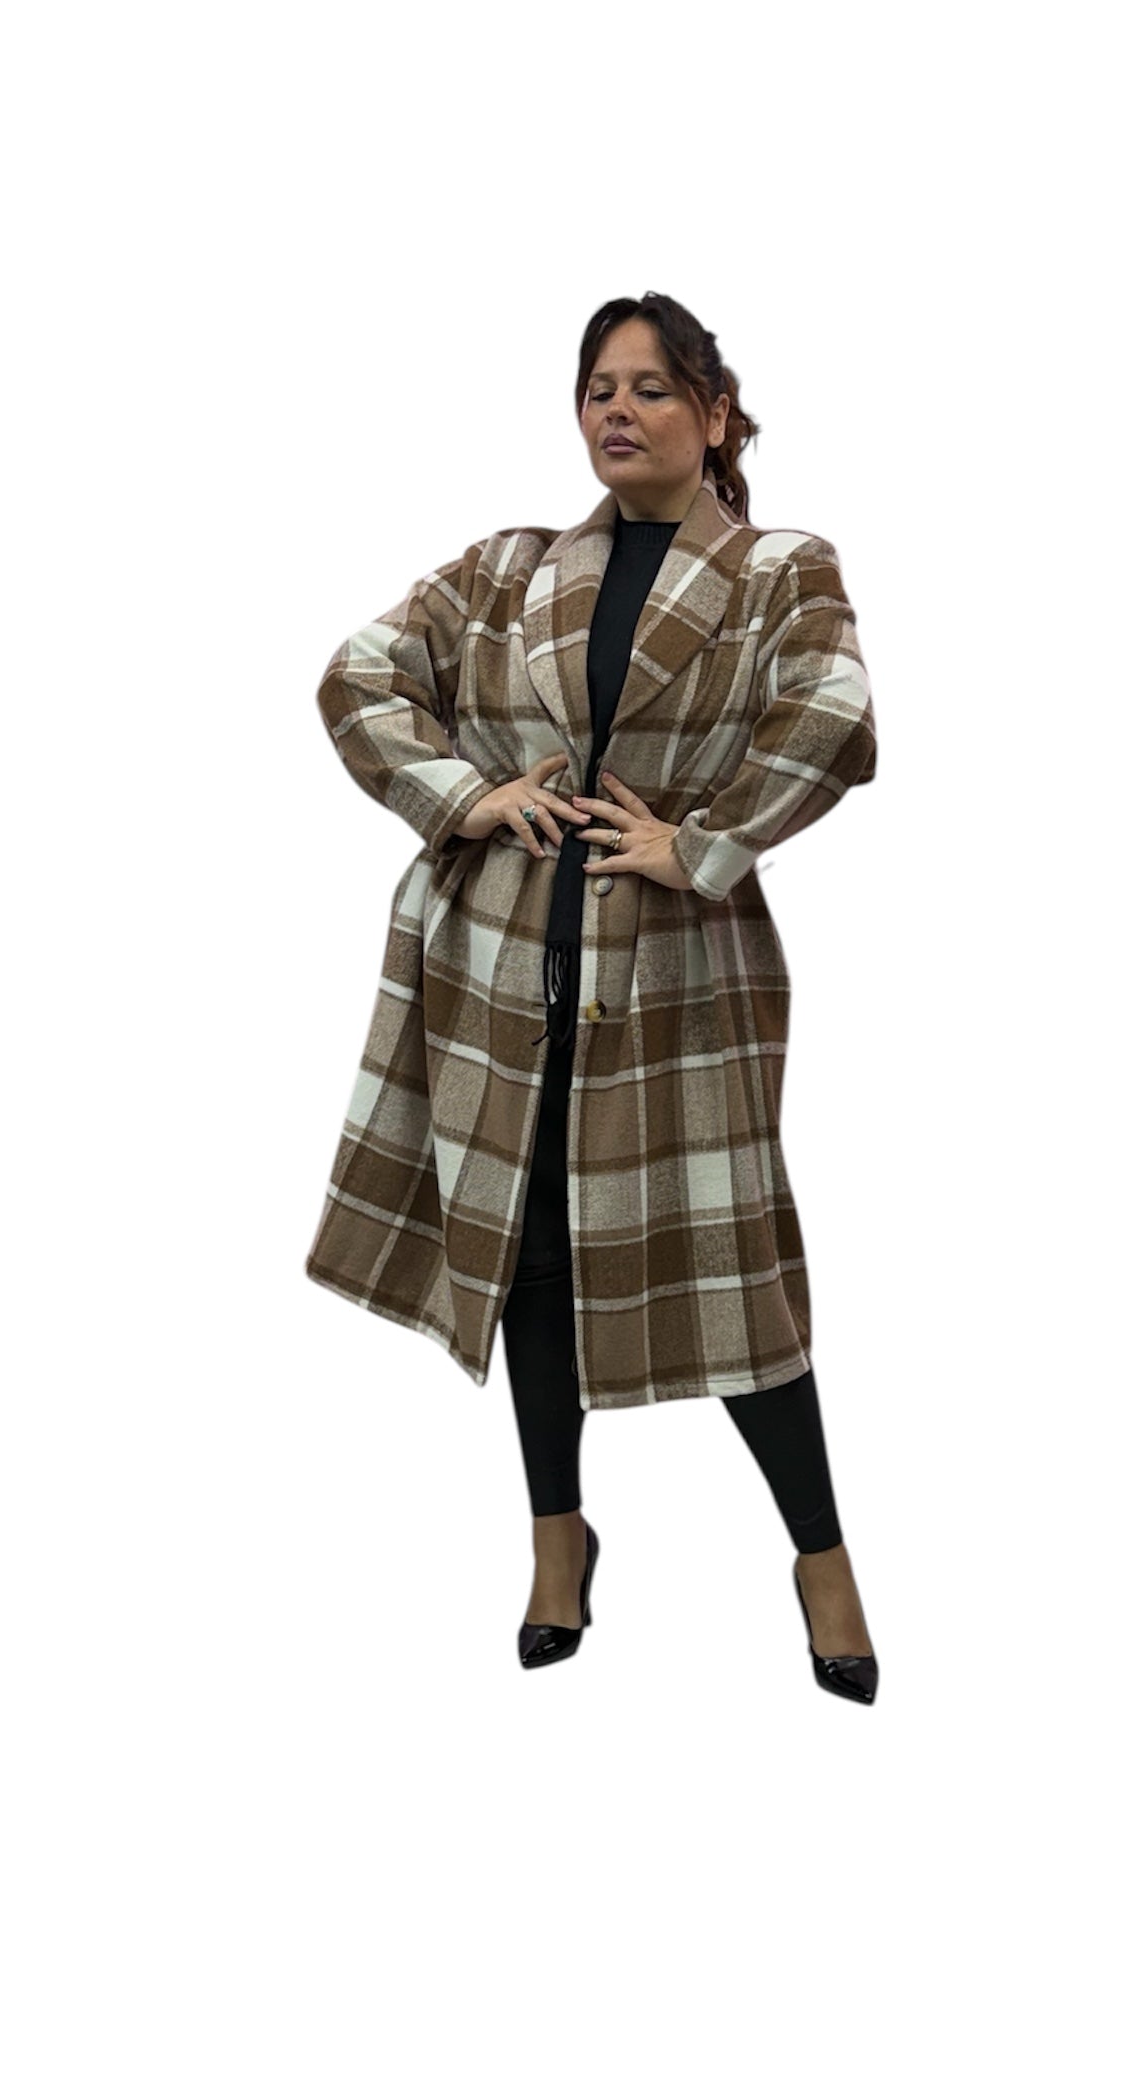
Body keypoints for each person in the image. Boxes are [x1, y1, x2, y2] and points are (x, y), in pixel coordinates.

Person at [305, 292, 880, 1704]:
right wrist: (467, 796)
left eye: (652, 388)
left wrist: (702, 844)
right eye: (599, 389)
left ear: (716, 413)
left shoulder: (781, 573)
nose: (619, 411)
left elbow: (836, 719)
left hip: (679, 985)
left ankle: (822, 1562)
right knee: (528, 1263)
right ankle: (557, 1540)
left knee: (737, 1278)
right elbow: (359, 675)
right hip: (494, 974)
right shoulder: (508, 569)